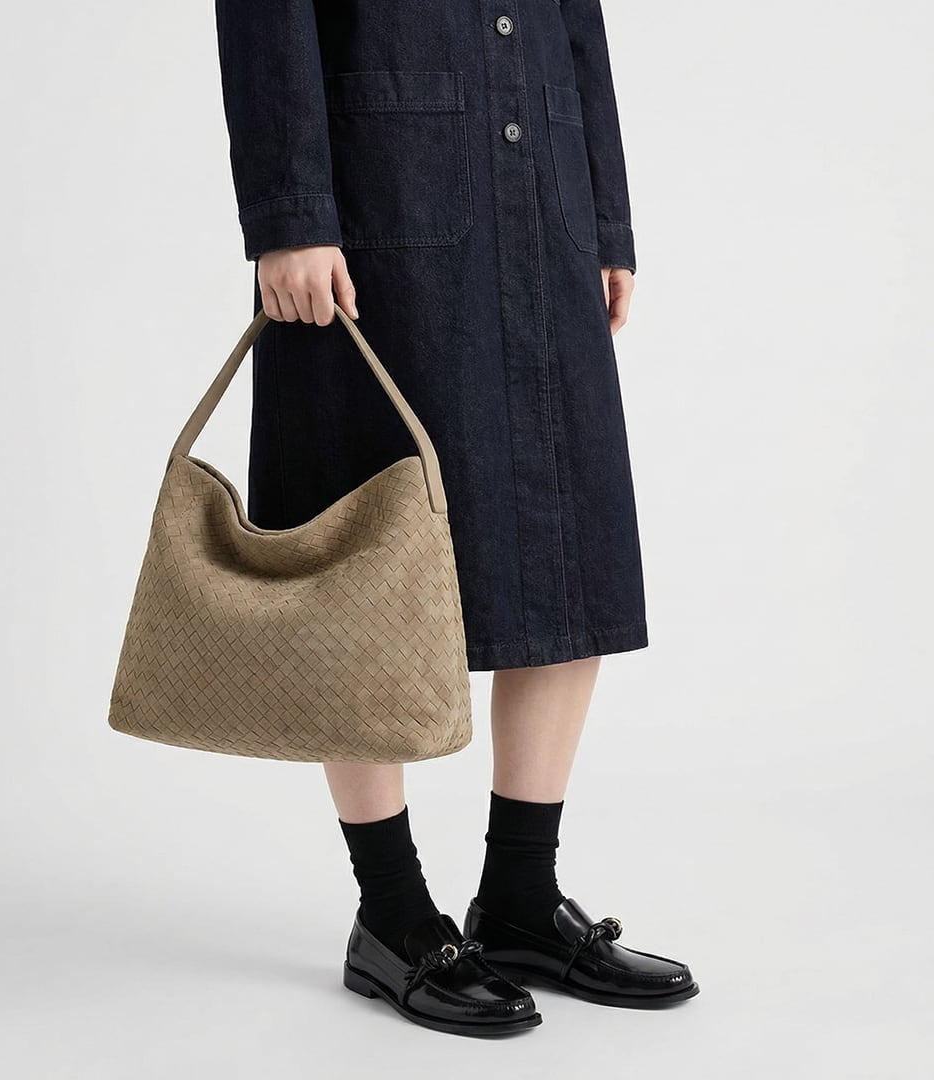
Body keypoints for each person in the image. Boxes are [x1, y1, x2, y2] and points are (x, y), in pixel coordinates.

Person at [213, 1, 698, 1035]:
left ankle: (520, 898)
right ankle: (392, 913)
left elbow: (577, 18)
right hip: (377, 202)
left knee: (572, 549)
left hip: (547, 191)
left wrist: (605, 216)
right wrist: (290, 215)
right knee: (363, 556)